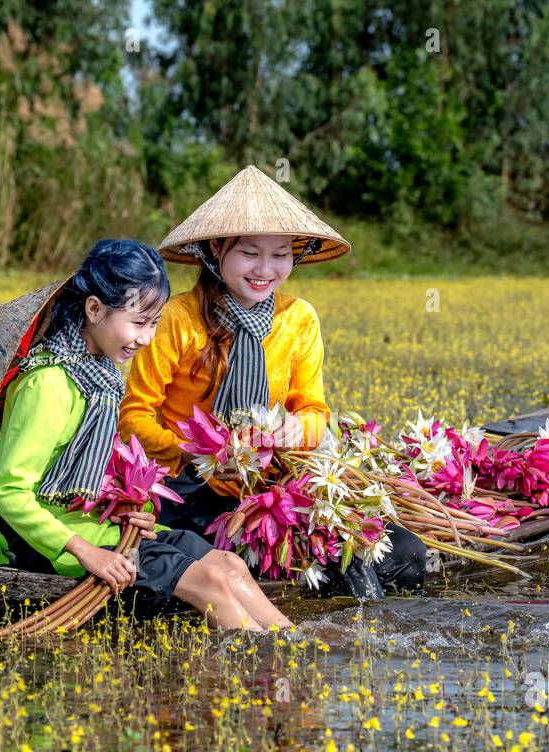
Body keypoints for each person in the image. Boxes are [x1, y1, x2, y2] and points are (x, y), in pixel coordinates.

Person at [119, 167, 427, 597]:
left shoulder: (298, 320)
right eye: (249, 253)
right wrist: (197, 453)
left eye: (280, 254)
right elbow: (134, 414)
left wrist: (299, 429)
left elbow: (315, 411)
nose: (265, 269)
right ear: (214, 251)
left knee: (407, 556)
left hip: (271, 482)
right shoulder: (178, 320)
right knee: (236, 560)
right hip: (189, 487)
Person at [0, 238, 292, 631]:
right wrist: (89, 553)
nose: (145, 338)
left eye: (154, 324)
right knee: (209, 584)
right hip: (35, 540)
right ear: (94, 309)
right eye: (138, 322)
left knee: (229, 565)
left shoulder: (100, 377)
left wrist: (122, 507)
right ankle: (264, 674)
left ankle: (297, 647)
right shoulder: (48, 384)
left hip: (85, 522)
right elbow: (9, 493)